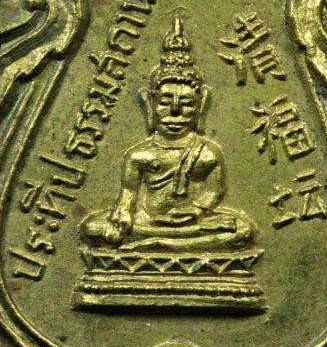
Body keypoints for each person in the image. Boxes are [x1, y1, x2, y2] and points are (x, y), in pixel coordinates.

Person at [80, 15, 256, 251]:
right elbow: (128, 195)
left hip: (194, 223)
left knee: (243, 230)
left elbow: (214, 190)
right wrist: (122, 212)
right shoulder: (138, 155)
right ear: (149, 103)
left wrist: (195, 211)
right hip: (147, 221)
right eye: (165, 102)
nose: (175, 112)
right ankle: (168, 243)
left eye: (186, 103)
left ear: (201, 106)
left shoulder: (208, 154)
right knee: (92, 227)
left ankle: (158, 244)